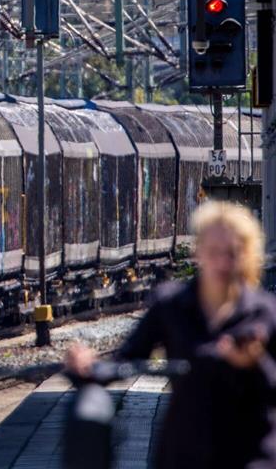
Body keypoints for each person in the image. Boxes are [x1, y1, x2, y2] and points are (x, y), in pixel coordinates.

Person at [66, 200, 276, 469]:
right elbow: (126, 360)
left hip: (251, 455)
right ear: (198, 252)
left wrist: (254, 363)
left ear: (247, 254)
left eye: (232, 253)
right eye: (214, 252)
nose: (223, 262)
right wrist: (87, 367)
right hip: (186, 453)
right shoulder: (171, 306)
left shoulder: (265, 312)